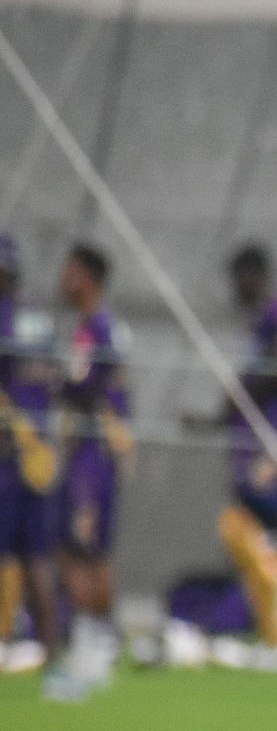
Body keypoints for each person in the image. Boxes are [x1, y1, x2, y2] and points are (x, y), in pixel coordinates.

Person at [211, 242, 277, 663]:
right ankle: (274, 629)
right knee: (249, 532)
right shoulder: (256, 323)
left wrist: (256, 380)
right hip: (254, 440)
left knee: (267, 532)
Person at [45, 241, 132, 701]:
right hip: (89, 448)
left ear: (88, 277)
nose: (64, 278)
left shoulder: (99, 327)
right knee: (87, 548)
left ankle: (91, 644)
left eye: (71, 270)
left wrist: (53, 380)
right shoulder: (91, 327)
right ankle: (97, 642)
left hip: (94, 451)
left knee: (79, 546)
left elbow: (91, 385)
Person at [0, 234, 62, 672]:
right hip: (39, 455)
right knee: (37, 556)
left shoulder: (5, 316)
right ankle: (51, 650)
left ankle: (8, 638)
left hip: (8, 453)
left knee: (10, 554)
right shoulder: (38, 319)